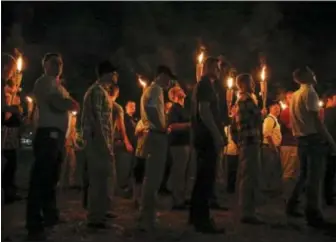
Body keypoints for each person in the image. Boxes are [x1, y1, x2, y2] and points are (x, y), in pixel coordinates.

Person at [26, 53, 79, 241]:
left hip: (57, 137)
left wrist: (68, 103)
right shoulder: (44, 82)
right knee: (41, 177)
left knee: (52, 178)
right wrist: (68, 103)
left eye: (60, 63)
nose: (58, 65)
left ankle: (50, 215)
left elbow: (71, 104)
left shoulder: (59, 86)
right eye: (53, 63)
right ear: (45, 66)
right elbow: (57, 103)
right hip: (47, 135)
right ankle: (34, 221)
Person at [286, 67, 336, 228]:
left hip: (301, 139)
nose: (315, 75)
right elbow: (316, 121)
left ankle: (292, 204)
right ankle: (313, 214)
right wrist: (330, 140)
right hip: (313, 139)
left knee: (304, 175)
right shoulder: (310, 93)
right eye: (312, 73)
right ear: (306, 76)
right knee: (314, 177)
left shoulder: (295, 95)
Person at [189, 57, 226, 233]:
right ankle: (202, 221)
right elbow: (204, 112)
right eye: (217, 68)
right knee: (206, 179)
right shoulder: (205, 85)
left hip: (202, 137)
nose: (219, 71)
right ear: (209, 67)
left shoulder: (204, 85)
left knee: (201, 178)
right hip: (206, 138)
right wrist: (217, 134)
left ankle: (195, 216)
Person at [138, 65, 173, 231]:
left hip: (151, 133)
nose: (170, 81)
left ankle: (146, 213)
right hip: (155, 134)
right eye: (168, 77)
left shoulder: (152, 90)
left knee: (151, 176)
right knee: (153, 177)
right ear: (161, 76)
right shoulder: (155, 90)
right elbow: (152, 109)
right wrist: (162, 127)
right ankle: (148, 217)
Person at [81, 60, 116, 229]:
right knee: (97, 178)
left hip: (101, 141)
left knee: (104, 178)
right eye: (114, 73)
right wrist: (104, 143)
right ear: (107, 73)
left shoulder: (102, 92)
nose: (116, 76)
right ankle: (94, 217)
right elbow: (97, 120)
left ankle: (101, 212)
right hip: (97, 141)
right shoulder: (96, 91)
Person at [231, 73, 264, 224]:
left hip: (247, 140)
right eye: (251, 82)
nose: (254, 84)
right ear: (243, 84)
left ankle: (247, 209)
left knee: (248, 175)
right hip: (250, 140)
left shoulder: (241, 100)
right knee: (249, 176)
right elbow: (257, 117)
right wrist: (261, 109)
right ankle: (247, 211)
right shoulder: (246, 99)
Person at [167, 85, 191, 210]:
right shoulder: (174, 109)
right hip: (178, 144)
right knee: (179, 172)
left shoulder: (183, 108)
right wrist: (188, 125)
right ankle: (177, 200)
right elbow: (172, 126)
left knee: (184, 172)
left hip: (185, 143)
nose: (183, 90)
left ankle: (182, 197)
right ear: (175, 95)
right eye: (180, 90)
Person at [109, 86, 134, 196]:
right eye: (131, 106)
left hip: (106, 141)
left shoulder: (102, 105)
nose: (133, 108)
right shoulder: (117, 108)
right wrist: (126, 141)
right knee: (119, 167)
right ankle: (115, 190)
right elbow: (121, 128)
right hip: (116, 142)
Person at [2, 79, 23, 204]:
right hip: (5, 135)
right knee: (8, 164)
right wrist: (14, 109)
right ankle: (7, 192)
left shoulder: (14, 96)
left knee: (12, 164)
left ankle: (10, 190)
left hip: (11, 136)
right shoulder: (5, 95)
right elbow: (6, 116)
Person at [279, 91, 300, 202]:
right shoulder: (286, 112)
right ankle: (286, 195)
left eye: (293, 97)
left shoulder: (296, 111)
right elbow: (292, 127)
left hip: (295, 144)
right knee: (288, 171)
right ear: (286, 100)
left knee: (295, 172)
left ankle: (292, 196)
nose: (292, 99)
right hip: (288, 145)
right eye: (290, 98)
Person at [261, 101, 282, 194]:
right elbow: (267, 134)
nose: (277, 109)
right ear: (270, 108)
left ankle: (269, 188)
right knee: (268, 168)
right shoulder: (269, 119)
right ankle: (265, 189)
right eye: (275, 107)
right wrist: (273, 147)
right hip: (269, 148)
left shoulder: (275, 120)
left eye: (278, 107)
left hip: (272, 147)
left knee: (271, 168)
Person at [322, 90, 336, 205]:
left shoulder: (322, 113)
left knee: (328, 172)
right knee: (330, 173)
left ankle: (327, 196)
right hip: (331, 145)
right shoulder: (330, 112)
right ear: (330, 99)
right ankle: (328, 197)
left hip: (325, 145)